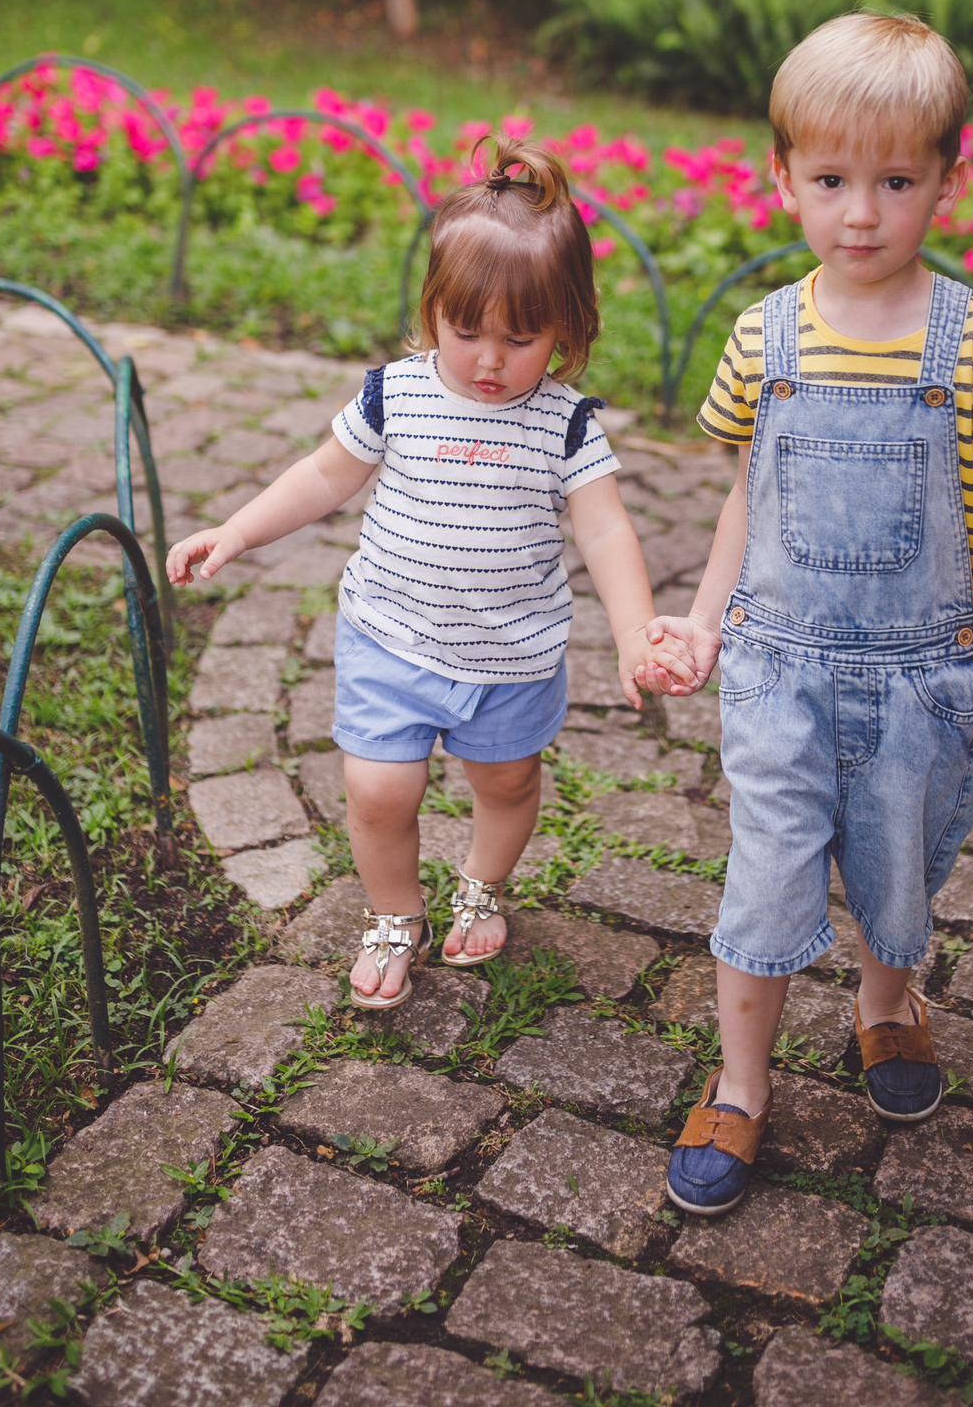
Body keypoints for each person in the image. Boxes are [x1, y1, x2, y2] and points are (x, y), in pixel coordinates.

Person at [638, 13, 973, 1217]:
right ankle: (738, 1080)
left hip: (923, 678)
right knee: (765, 879)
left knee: (897, 877)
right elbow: (746, 502)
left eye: (894, 182)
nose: (861, 214)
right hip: (778, 673)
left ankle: (887, 1004)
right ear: (783, 178)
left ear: (945, 179)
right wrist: (708, 620)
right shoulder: (760, 337)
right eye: (829, 182)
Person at [167, 137, 696, 1010]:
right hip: (392, 633)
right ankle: (393, 913)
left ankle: (483, 881)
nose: (489, 360)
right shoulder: (397, 394)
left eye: (520, 339)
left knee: (507, 781)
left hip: (511, 656)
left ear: (567, 328)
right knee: (378, 788)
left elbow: (606, 532)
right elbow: (324, 475)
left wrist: (637, 631)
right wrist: (237, 531)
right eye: (467, 332)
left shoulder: (565, 426)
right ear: (433, 310)